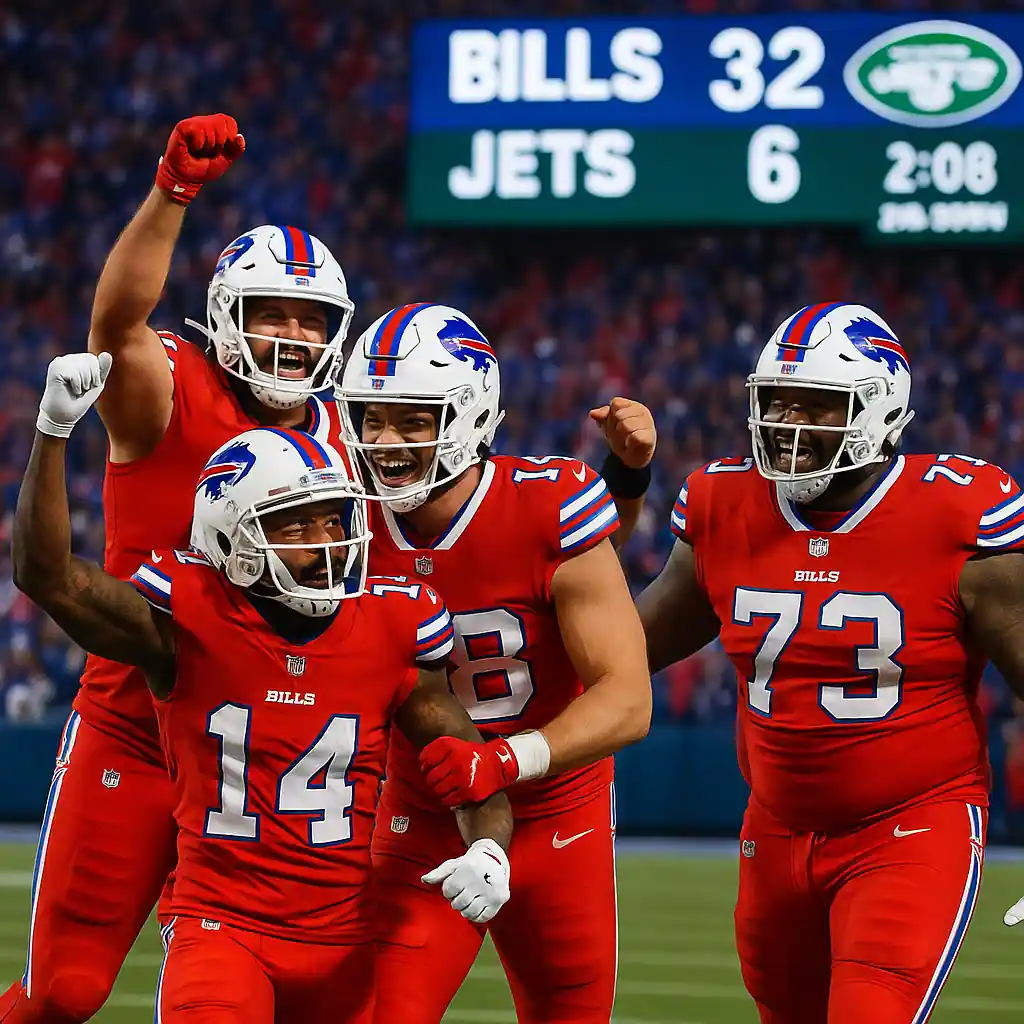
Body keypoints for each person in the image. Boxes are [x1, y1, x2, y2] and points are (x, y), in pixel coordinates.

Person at [12, 352, 514, 1024]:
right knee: (67, 990)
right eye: (296, 525)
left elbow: (471, 768)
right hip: (221, 930)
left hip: (343, 945)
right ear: (233, 539)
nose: (326, 542)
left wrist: (488, 849)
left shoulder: (391, 624)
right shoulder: (187, 619)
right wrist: (52, 431)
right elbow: (47, 575)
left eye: (334, 520)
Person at [0, 114, 358, 1024]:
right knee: (63, 993)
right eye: (271, 312)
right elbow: (115, 324)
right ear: (226, 317)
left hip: (266, 760)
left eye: (310, 319)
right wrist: (173, 192)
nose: (292, 334)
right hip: (135, 730)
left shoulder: (347, 438)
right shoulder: (171, 387)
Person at [636, 302, 1024, 1024]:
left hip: (913, 825)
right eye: (778, 403)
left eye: (816, 406)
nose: (789, 425)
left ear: (881, 411)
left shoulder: (955, 512)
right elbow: (630, 647)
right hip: (774, 828)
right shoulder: (724, 501)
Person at [335, 302, 653, 1023]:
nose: (383, 441)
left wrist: (503, 761)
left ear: (470, 416)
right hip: (422, 812)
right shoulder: (341, 521)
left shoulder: (548, 504)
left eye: (412, 420)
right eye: (371, 417)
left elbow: (629, 700)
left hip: (558, 816)